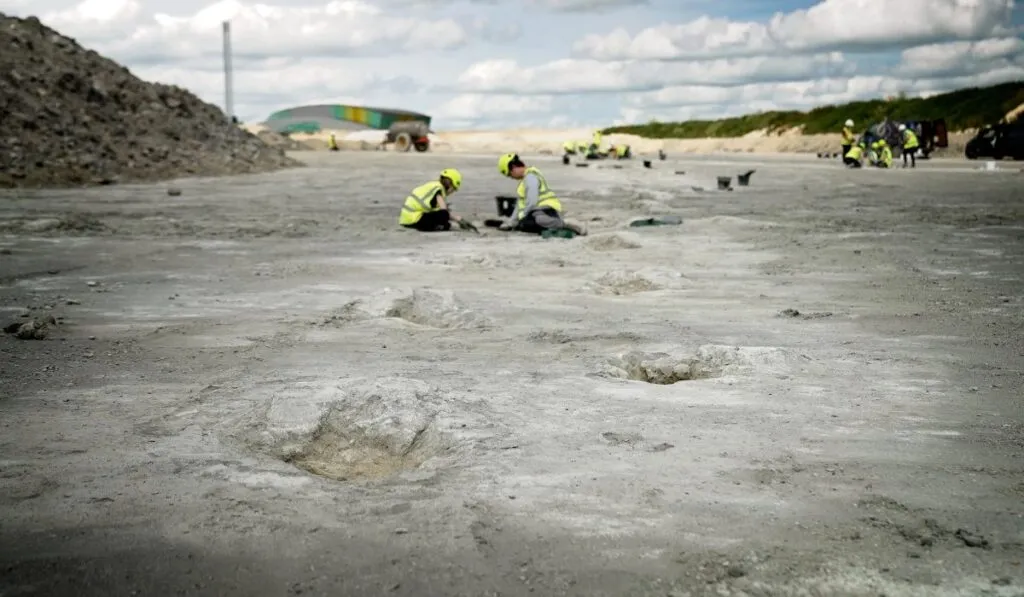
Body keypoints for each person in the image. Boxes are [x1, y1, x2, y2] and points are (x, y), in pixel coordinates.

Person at [496, 153, 587, 236]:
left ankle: (569, 223)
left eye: (510, 174)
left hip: (545, 210)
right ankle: (555, 223)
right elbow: (519, 205)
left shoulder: (531, 177)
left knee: (536, 221)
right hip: (536, 211)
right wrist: (511, 223)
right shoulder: (524, 182)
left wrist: (522, 216)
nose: (512, 178)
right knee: (525, 225)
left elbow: (532, 202)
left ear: (513, 166)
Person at [398, 168, 474, 232]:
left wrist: (458, 219)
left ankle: (437, 226)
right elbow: (443, 211)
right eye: (453, 189)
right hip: (415, 219)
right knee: (444, 217)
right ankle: (435, 227)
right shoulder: (439, 189)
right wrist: (454, 219)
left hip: (406, 219)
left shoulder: (433, 185)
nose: (452, 192)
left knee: (445, 223)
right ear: (449, 183)